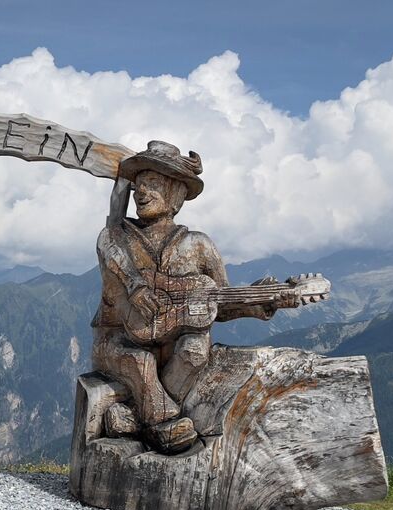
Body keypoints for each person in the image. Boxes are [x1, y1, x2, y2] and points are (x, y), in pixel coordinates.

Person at [93, 141, 297, 453]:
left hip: (174, 341)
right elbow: (111, 251)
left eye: (153, 186)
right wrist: (135, 284)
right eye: (138, 187)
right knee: (140, 360)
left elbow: (218, 305)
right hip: (117, 343)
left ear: (175, 195)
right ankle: (164, 425)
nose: (141, 194)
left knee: (195, 349)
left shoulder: (198, 246)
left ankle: (139, 417)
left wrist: (259, 304)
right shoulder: (118, 236)